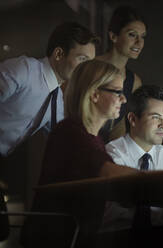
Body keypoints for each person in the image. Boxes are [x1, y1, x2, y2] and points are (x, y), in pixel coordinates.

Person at [21, 60, 139, 248]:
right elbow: (108, 172)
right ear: (94, 94)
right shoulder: (69, 132)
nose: (124, 99)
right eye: (117, 92)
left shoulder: (94, 138)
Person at [0, 21, 99, 157]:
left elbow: (64, 142)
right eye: (82, 59)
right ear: (58, 54)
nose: (86, 69)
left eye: (90, 63)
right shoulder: (24, 70)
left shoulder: (56, 100)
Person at [104, 85, 163, 247]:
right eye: (156, 117)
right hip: (116, 236)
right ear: (133, 119)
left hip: (159, 236)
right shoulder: (113, 154)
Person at [97, 5, 147, 142]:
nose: (139, 42)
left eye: (142, 37)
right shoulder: (90, 68)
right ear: (113, 36)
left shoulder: (134, 82)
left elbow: (119, 129)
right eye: (132, 35)